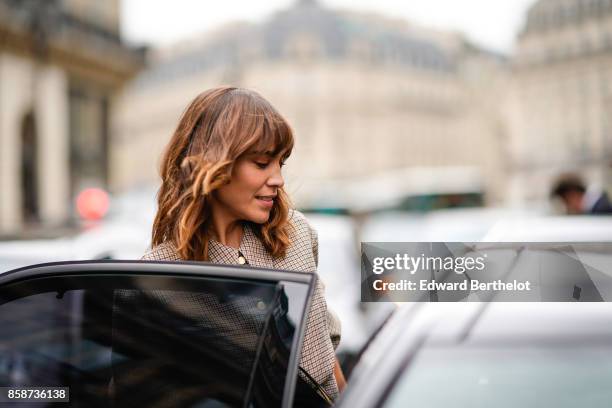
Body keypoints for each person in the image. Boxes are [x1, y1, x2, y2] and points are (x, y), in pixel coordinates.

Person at [141, 86, 346, 400]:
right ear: (214, 165)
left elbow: (326, 361)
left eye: (281, 163)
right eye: (262, 163)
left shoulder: (298, 234)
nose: (278, 179)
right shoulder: (156, 274)